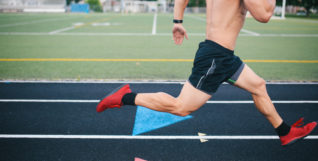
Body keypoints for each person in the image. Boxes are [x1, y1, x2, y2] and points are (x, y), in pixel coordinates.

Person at [96, 0, 317, 146]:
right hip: (215, 57)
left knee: (258, 86)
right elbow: (264, 15)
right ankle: (123, 97)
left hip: (224, 56)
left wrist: (177, 21)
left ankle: (285, 132)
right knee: (181, 106)